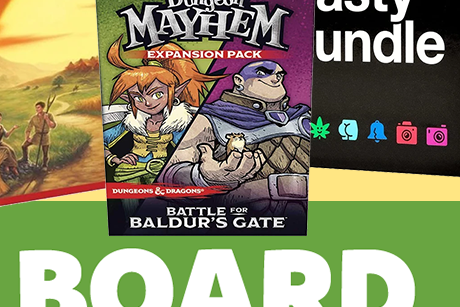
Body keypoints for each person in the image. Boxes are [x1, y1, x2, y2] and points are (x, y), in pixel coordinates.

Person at [158, 61, 311, 228]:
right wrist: (203, 178)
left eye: (279, 75)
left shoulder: (303, 118)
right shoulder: (209, 119)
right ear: (239, 81)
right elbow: (168, 178)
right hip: (241, 224)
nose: (275, 79)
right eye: (262, 73)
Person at [103, 36, 225, 185]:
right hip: (128, 173)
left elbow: (193, 147)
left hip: (161, 174)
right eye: (138, 98)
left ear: (175, 93)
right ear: (129, 98)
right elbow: (101, 141)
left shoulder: (177, 123)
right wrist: (114, 158)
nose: (148, 103)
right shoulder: (131, 122)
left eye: (157, 95)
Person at [21, 101, 56, 171]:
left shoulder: (48, 115)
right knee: (24, 146)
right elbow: (29, 128)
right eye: (36, 108)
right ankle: (25, 159)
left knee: (45, 152)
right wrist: (27, 137)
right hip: (37, 135)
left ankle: (45, 165)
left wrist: (47, 119)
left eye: (38, 107)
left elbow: (53, 126)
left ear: (42, 108)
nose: (37, 109)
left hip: (45, 136)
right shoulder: (34, 117)